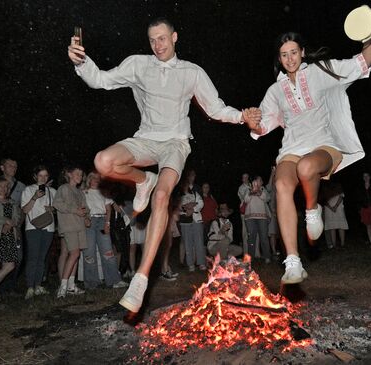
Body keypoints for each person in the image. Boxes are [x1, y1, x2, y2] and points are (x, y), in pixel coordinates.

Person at [68, 17, 260, 312]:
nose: (157, 45)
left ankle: (141, 278)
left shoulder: (191, 72)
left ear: (174, 37)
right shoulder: (137, 64)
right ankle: (142, 180)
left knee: (162, 197)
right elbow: (101, 80)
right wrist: (81, 63)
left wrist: (241, 117)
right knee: (103, 161)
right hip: (145, 139)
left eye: (162, 39)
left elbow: (216, 107)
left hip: (175, 144)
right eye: (152, 40)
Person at [243, 30, 371, 283]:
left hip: (325, 146)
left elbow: (363, 61)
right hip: (292, 149)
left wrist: (368, 36)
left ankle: (312, 210)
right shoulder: (275, 90)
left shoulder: (321, 71)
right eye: (284, 55)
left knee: (306, 168)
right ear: (279, 59)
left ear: (302, 52)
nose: (290, 58)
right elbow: (263, 126)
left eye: (294, 52)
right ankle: (292, 262)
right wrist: (252, 122)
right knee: (281, 183)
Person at [82, 172, 128, 289]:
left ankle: (114, 281)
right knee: (89, 253)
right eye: (93, 178)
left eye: (98, 178)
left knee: (108, 252)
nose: (96, 180)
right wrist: (85, 218)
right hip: (89, 222)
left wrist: (107, 223)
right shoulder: (83, 192)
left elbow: (109, 209)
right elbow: (81, 207)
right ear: (89, 179)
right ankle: (91, 283)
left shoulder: (104, 193)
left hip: (102, 221)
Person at [21, 165, 57, 299]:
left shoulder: (53, 191)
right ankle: (30, 287)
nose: (43, 178)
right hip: (32, 227)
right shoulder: (28, 190)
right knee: (33, 257)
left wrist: (52, 209)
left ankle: (38, 285)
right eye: (40, 175)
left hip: (49, 227)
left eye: (46, 175)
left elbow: (57, 208)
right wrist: (35, 197)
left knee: (42, 258)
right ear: (35, 176)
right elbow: (24, 210)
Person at [53, 166, 88, 298]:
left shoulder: (79, 192)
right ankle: (62, 287)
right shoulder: (64, 188)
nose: (80, 176)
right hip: (69, 226)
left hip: (80, 226)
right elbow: (57, 204)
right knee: (74, 253)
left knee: (76, 255)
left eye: (81, 174)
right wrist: (74, 210)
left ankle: (71, 286)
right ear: (69, 174)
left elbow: (85, 208)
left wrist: (87, 218)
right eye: (77, 173)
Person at [178, 178, 206, 272]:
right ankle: (190, 264)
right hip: (185, 220)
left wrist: (193, 209)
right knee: (187, 242)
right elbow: (177, 207)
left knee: (199, 241)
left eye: (187, 184)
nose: (186, 186)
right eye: (184, 184)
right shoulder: (178, 196)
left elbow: (201, 203)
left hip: (196, 219)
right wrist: (187, 208)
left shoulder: (194, 194)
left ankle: (201, 263)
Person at [244, 175, 272, 263]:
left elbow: (267, 198)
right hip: (250, 217)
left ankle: (267, 257)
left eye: (260, 181)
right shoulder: (248, 189)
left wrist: (258, 191)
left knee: (264, 237)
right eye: (257, 181)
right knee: (251, 237)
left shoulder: (263, 190)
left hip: (262, 217)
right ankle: (250, 258)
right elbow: (246, 200)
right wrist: (252, 191)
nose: (259, 182)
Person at [323, 182, 349, 248]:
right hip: (329, 209)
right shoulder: (324, 186)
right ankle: (334, 245)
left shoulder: (338, 184)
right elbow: (323, 199)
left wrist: (335, 206)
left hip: (338, 208)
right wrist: (331, 207)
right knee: (332, 227)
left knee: (341, 226)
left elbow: (341, 196)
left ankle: (342, 244)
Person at [237, 173, 251, 253]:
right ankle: (246, 252)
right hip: (245, 212)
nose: (245, 179)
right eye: (243, 177)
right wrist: (250, 190)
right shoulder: (241, 188)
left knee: (253, 232)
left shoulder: (252, 185)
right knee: (245, 232)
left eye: (246, 177)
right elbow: (244, 198)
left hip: (253, 211)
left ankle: (256, 253)